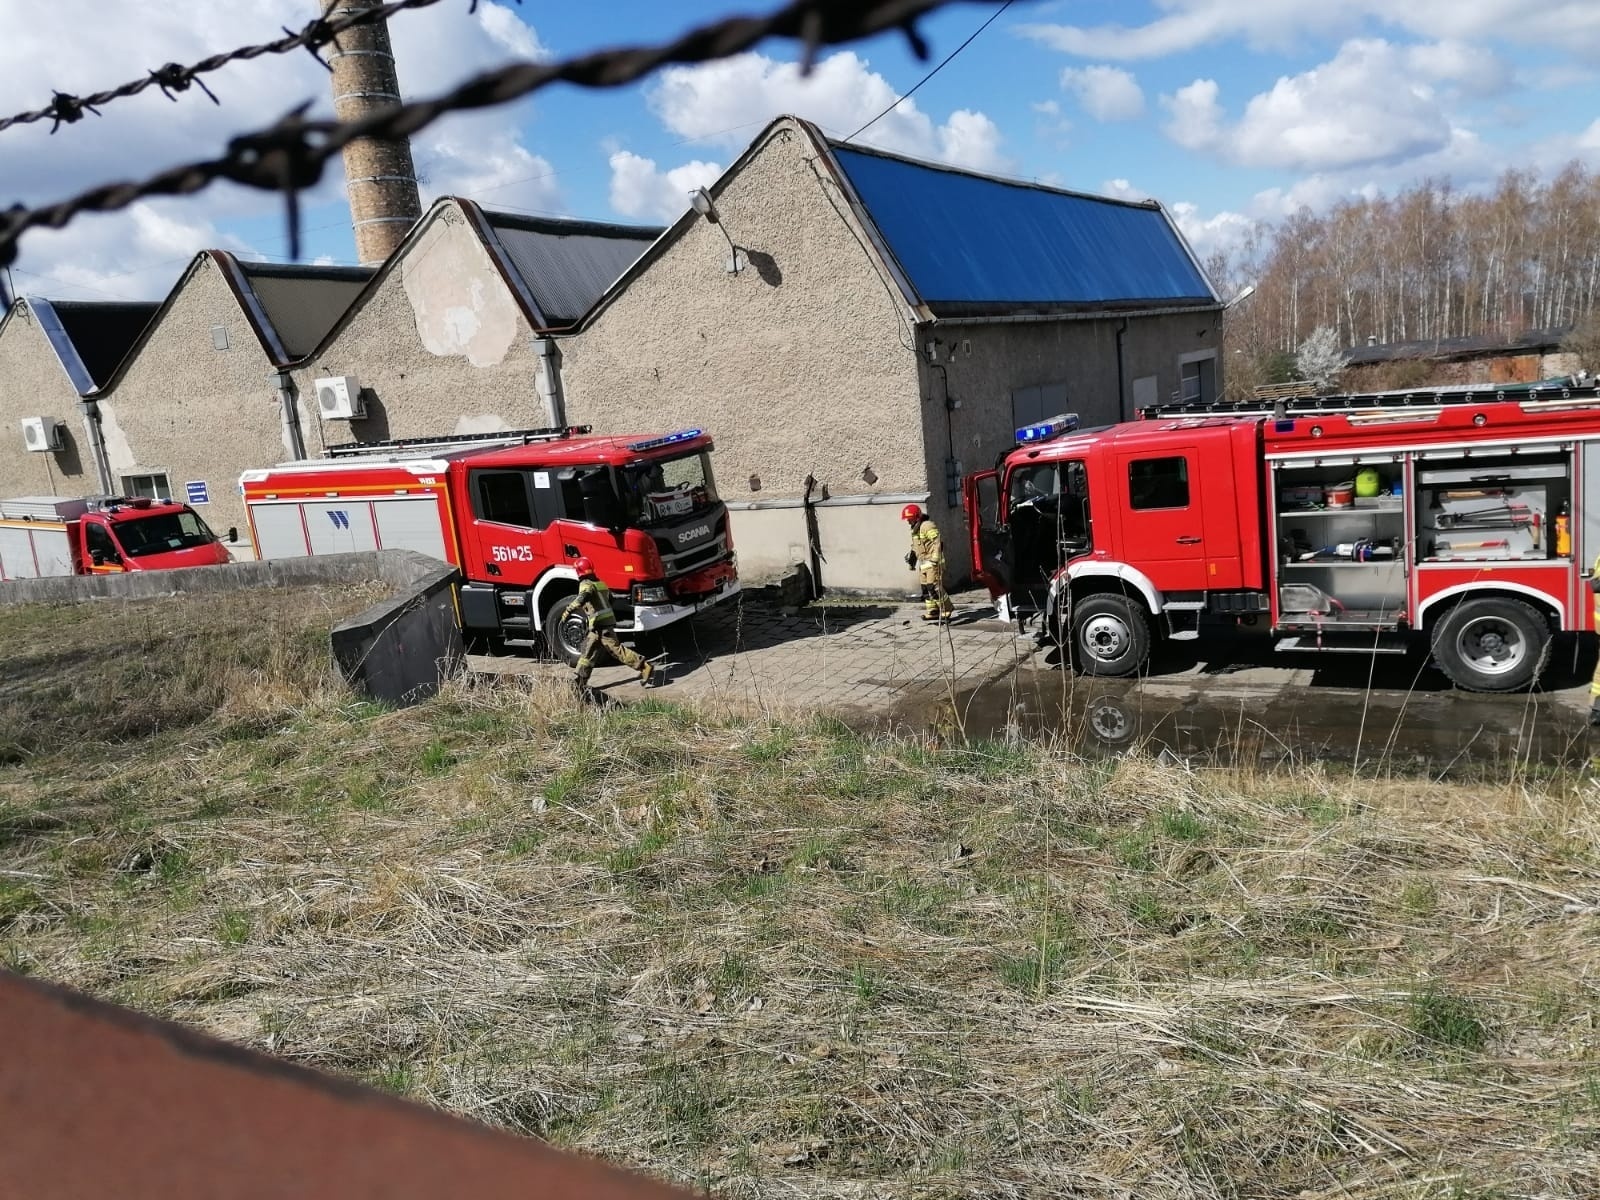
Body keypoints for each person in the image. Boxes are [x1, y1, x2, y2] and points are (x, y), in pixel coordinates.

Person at [572, 557, 655, 693]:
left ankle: (644, 666)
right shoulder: (600, 583)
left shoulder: (585, 583)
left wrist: (569, 609)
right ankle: (580, 681)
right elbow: (611, 599)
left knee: (616, 650)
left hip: (601, 625)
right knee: (588, 651)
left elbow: (583, 596)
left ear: (579, 571)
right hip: (601, 625)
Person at [902, 504, 954, 622]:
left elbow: (937, 542)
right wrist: (911, 562)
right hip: (924, 564)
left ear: (916, 517)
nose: (908, 521)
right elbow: (915, 548)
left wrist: (935, 559)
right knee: (925, 588)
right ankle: (933, 611)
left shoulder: (927, 526)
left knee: (934, 587)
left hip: (932, 563)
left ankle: (947, 608)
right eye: (907, 519)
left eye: (909, 519)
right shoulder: (915, 530)